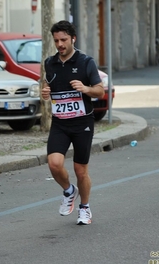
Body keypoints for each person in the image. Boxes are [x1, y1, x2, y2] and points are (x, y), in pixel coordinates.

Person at [41, 20, 104, 225]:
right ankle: (69, 191)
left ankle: (84, 207)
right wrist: (44, 93)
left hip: (82, 123)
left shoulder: (86, 62)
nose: (60, 44)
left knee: (80, 170)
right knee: (54, 163)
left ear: (73, 39)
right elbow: (47, 86)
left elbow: (100, 90)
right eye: (56, 40)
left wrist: (86, 89)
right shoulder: (50, 63)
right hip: (60, 122)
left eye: (64, 40)